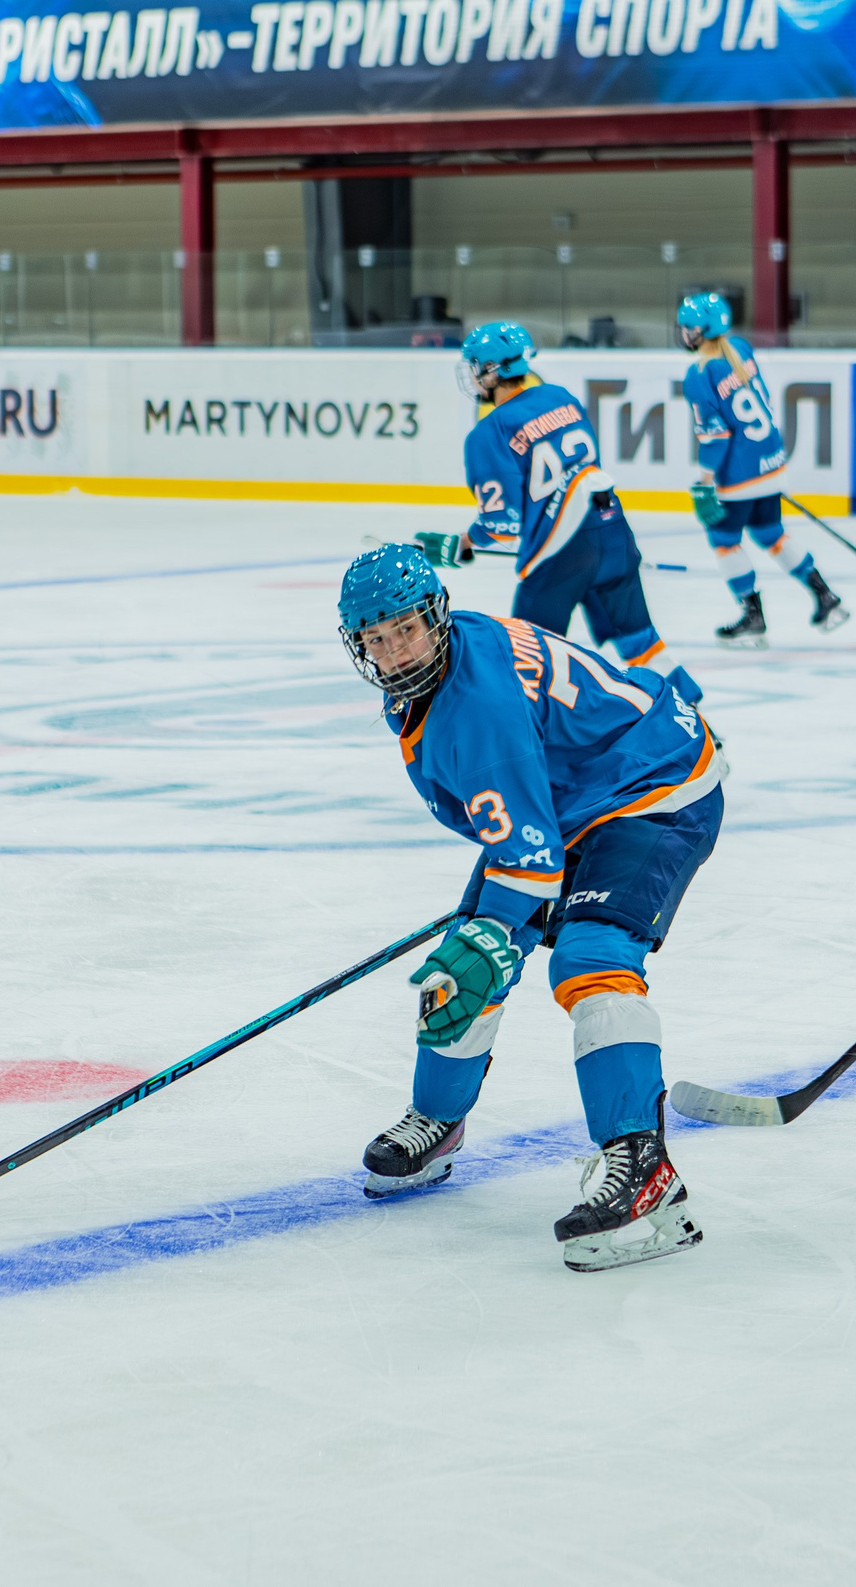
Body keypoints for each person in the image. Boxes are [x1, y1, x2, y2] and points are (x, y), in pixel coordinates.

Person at [337, 544, 725, 1272]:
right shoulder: (443, 668)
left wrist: (493, 929)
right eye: (376, 639)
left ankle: (643, 1169)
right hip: (569, 796)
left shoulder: (475, 708)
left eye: (406, 630)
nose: (394, 653)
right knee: (467, 959)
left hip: (654, 786)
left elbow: (530, 854)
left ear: (435, 616)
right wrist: (489, 929)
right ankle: (438, 1121)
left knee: (587, 959)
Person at [419, 321, 698, 702]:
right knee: (639, 639)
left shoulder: (488, 433)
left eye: (476, 367)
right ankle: (689, 709)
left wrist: (462, 542)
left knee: (527, 657)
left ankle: (543, 732)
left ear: (493, 371)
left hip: (563, 551)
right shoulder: (560, 397)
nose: (473, 376)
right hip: (613, 528)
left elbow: (502, 525)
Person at [675, 291, 846, 647]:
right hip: (771, 462)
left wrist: (705, 481)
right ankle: (824, 594)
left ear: (703, 331)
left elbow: (716, 437)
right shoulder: (740, 349)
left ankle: (752, 615)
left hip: (739, 475)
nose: (685, 333)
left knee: (724, 542)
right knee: (771, 534)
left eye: (689, 328)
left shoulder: (698, 374)